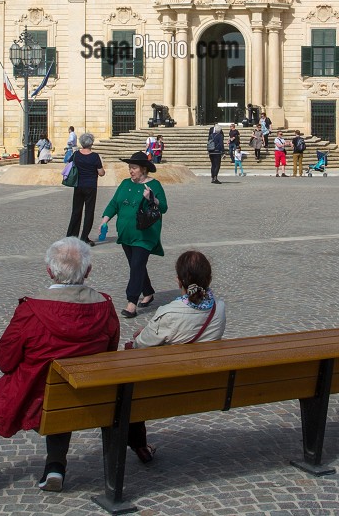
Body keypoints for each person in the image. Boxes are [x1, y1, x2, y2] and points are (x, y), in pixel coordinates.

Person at [0, 238, 119, 503]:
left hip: (31, 397)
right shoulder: (104, 306)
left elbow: (4, 360)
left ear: (49, 270)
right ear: (88, 271)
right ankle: (55, 466)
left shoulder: (33, 310)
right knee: (63, 388)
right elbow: (110, 351)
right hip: (78, 395)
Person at [122, 251, 227, 463]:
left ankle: (138, 443)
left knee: (127, 384)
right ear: (209, 278)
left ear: (178, 280)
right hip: (208, 382)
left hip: (165, 386)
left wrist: (143, 334)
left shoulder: (169, 312)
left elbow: (140, 345)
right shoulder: (219, 308)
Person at [100, 152, 167, 318]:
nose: (131, 170)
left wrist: (152, 198)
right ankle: (148, 291)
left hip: (145, 234)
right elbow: (114, 204)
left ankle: (131, 302)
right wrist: (105, 219)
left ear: (143, 169)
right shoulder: (124, 183)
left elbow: (163, 207)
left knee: (137, 265)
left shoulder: (154, 185)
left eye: (134, 168)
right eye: (130, 167)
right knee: (136, 265)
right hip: (126, 233)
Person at [66, 133, 105, 244]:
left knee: (76, 211)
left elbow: (69, 163)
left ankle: (71, 236)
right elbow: (101, 173)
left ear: (81, 143)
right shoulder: (94, 156)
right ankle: (84, 237)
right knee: (89, 212)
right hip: (90, 187)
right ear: (91, 143)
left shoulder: (76, 154)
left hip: (78, 185)